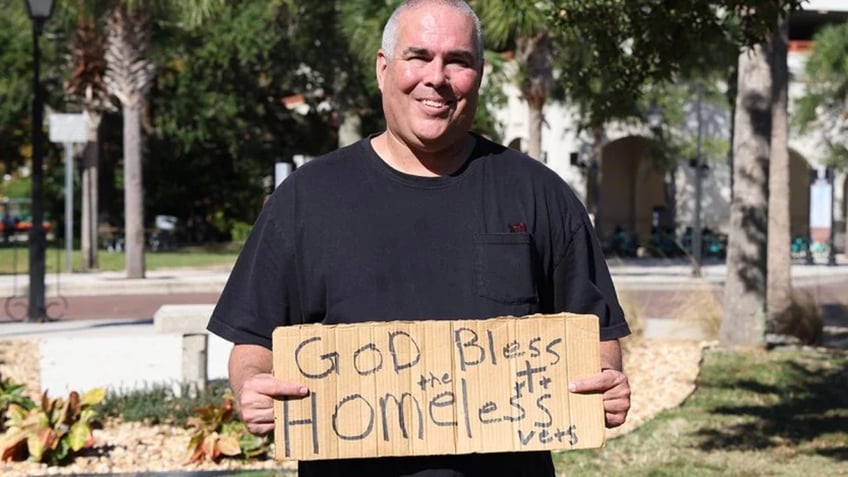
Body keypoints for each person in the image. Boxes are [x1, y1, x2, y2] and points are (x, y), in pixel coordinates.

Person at [207, 1, 631, 475]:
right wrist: (252, 386)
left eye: (458, 61)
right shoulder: (305, 199)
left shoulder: (540, 194)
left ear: (480, 74)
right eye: (418, 56)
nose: (437, 77)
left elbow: (595, 336)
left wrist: (606, 382)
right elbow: (254, 343)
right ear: (383, 68)